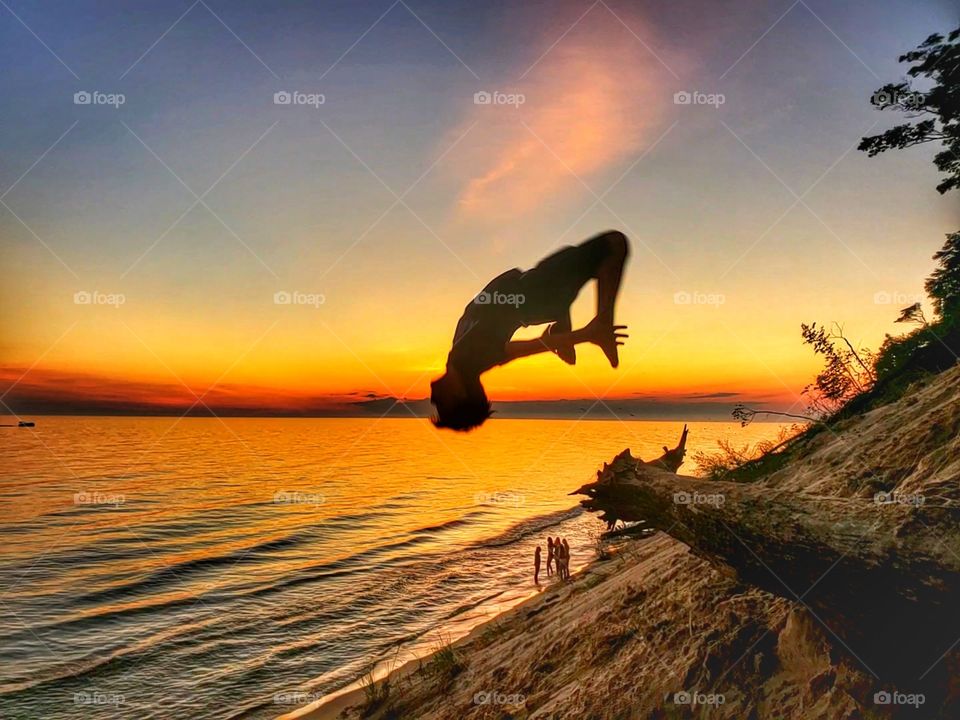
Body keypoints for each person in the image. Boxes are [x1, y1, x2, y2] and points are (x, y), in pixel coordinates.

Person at [431, 231, 630, 431]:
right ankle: (599, 325)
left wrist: (561, 339)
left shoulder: (458, 360)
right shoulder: (471, 359)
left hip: (533, 297)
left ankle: (564, 324)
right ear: (459, 394)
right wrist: (585, 335)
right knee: (614, 244)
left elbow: (518, 349)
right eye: (440, 404)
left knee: (596, 258)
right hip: (537, 292)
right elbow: (524, 349)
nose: (432, 400)